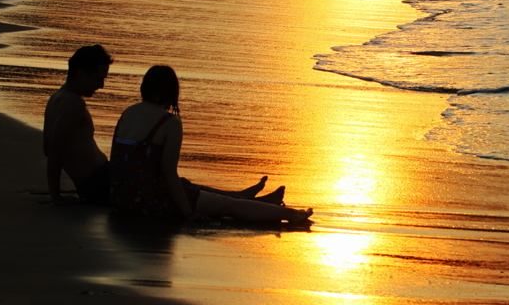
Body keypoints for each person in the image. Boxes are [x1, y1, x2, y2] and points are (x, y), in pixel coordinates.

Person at [110, 65, 313, 224]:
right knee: (227, 206)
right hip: (149, 202)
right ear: (172, 92)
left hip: (121, 199)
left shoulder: (128, 113)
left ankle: (248, 197)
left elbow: (118, 161)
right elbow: (168, 173)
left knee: (189, 186)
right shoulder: (169, 122)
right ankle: (290, 214)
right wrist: (188, 213)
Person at [43, 45, 114, 205]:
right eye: (99, 78)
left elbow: (47, 147)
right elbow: (54, 151)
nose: (101, 85)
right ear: (81, 74)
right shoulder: (73, 104)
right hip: (99, 183)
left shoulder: (56, 98)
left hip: (98, 180)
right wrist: (56, 197)